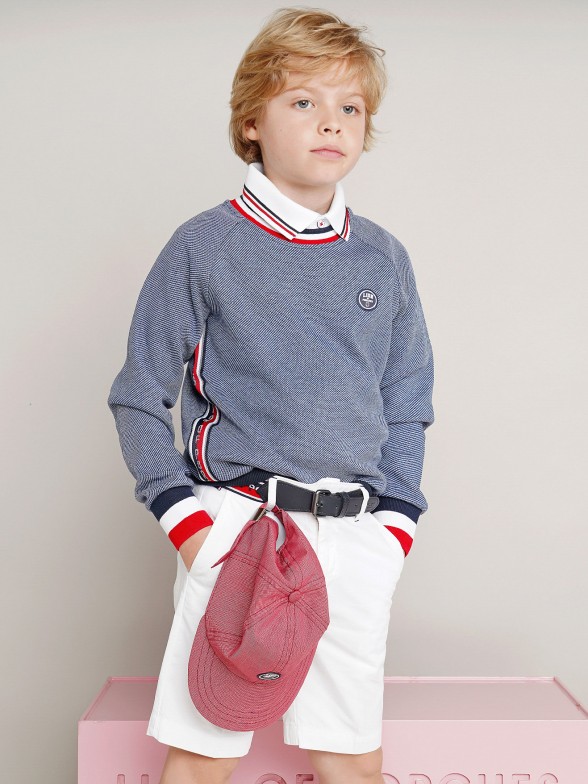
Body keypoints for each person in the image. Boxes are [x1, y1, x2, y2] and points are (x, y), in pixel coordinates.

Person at [107, 6, 434, 784]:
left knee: (351, 758)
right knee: (204, 753)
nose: (332, 122)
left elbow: (407, 401)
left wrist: (394, 529)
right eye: (304, 101)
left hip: (355, 538)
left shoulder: (383, 258)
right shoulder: (205, 246)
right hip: (242, 530)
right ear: (252, 122)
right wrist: (192, 530)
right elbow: (138, 394)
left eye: (350, 107)